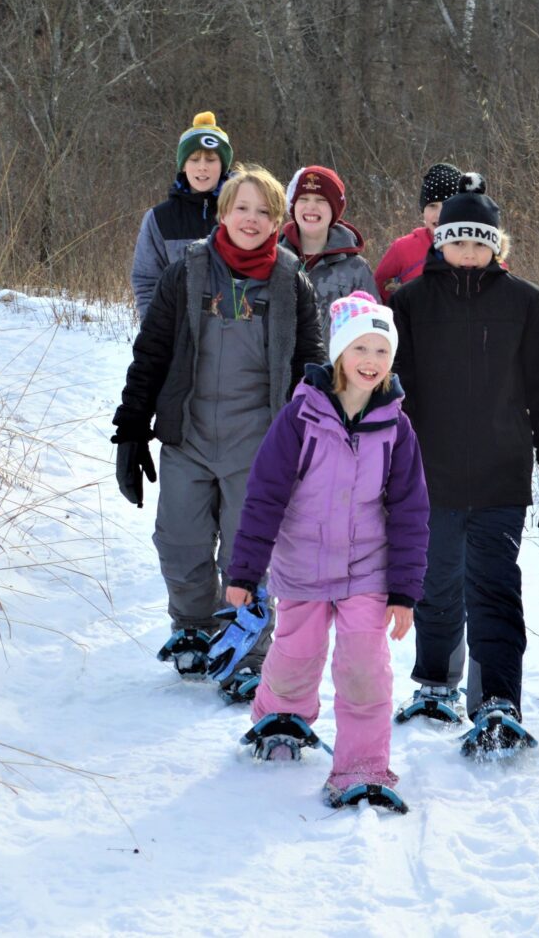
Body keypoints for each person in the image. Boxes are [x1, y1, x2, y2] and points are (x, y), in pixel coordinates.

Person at [112, 165, 325, 700]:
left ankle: (249, 649)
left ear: (278, 221)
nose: (251, 220)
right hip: (188, 435)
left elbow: (310, 364)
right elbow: (152, 352)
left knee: (246, 553)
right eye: (241, 208)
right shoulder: (185, 273)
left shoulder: (291, 283)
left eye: (263, 211)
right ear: (223, 212)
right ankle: (192, 628)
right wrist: (133, 428)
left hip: (258, 443)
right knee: (179, 540)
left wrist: (315, 445)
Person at [225, 292, 429, 807]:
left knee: (365, 661)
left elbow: (409, 511)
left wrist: (404, 590)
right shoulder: (301, 419)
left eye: (382, 351)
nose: (371, 361)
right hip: (302, 563)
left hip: (367, 567)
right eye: (361, 347)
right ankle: (282, 716)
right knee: (297, 651)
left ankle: (363, 765)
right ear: (339, 352)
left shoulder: (396, 428)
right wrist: (245, 572)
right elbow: (264, 496)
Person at [390, 172, 539, 752]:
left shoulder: (524, 301)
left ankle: (497, 700)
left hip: (500, 474)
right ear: (439, 242)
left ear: (497, 246)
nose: (468, 253)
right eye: (457, 241)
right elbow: (394, 393)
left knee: (493, 588)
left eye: (479, 242)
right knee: (435, 581)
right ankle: (435, 683)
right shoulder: (409, 303)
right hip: (429, 476)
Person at [131, 111, 233, 320]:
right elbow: (147, 281)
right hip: (180, 335)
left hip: (236, 335)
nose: (202, 166)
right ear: (183, 165)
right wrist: (155, 334)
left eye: (211, 159)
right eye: (194, 159)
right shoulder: (160, 218)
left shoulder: (241, 211)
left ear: (222, 165)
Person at [280, 166, 379, 346]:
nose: (311, 206)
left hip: (333, 371)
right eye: (303, 199)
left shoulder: (355, 269)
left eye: (321, 200)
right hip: (282, 371)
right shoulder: (274, 261)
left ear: (334, 208)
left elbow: (374, 332)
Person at [373, 162, 461, 304]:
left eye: (447, 205)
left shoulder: (478, 246)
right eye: (432, 206)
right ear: (423, 209)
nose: (439, 215)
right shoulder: (403, 249)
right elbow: (378, 292)